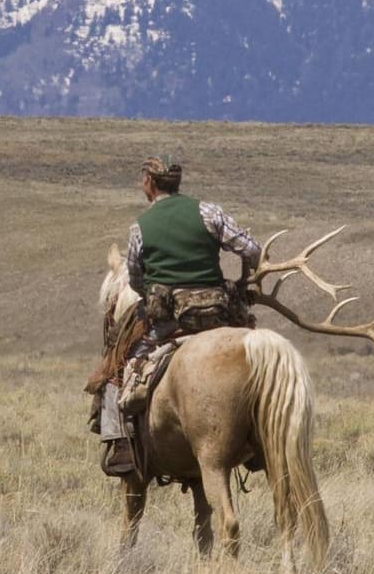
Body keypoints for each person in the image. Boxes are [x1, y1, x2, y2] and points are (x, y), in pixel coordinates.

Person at [96, 151, 261, 475]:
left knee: (120, 370)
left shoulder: (140, 227)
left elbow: (137, 277)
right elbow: (251, 249)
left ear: (148, 183)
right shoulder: (208, 212)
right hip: (221, 316)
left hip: (170, 322)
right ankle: (257, 437)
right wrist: (244, 279)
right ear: (177, 181)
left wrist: (155, 294)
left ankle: (123, 447)